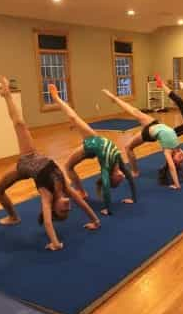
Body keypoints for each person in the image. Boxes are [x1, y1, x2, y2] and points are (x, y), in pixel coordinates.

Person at [0, 76, 100, 251]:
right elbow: (82, 203)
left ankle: (7, 94)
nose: (68, 206)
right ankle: (14, 217)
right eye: (68, 210)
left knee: (19, 124)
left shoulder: (47, 196)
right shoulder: (64, 187)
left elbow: (48, 222)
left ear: (53, 208)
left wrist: (55, 243)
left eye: (63, 210)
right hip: (33, 158)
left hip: (27, 160)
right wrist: (95, 220)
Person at [48, 84, 136, 216]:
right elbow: (130, 177)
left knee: (73, 119)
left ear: (111, 177)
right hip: (93, 144)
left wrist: (108, 209)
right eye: (121, 179)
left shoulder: (107, 167)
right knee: (68, 166)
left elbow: (106, 188)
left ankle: (56, 98)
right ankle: (82, 192)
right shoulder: (118, 162)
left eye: (118, 180)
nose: (122, 177)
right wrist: (133, 198)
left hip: (91, 144)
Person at [102, 89, 183, 189]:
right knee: (135, 111)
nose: (181, 157)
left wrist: (177, 185)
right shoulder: (178, 148)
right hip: (154, 124)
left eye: (179, 160)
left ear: (173, 159)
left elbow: (172, 168)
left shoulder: (168, 151)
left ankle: (135, 172)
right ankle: (114, 98)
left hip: (148, 133)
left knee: (128, 147)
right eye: (182, 159)